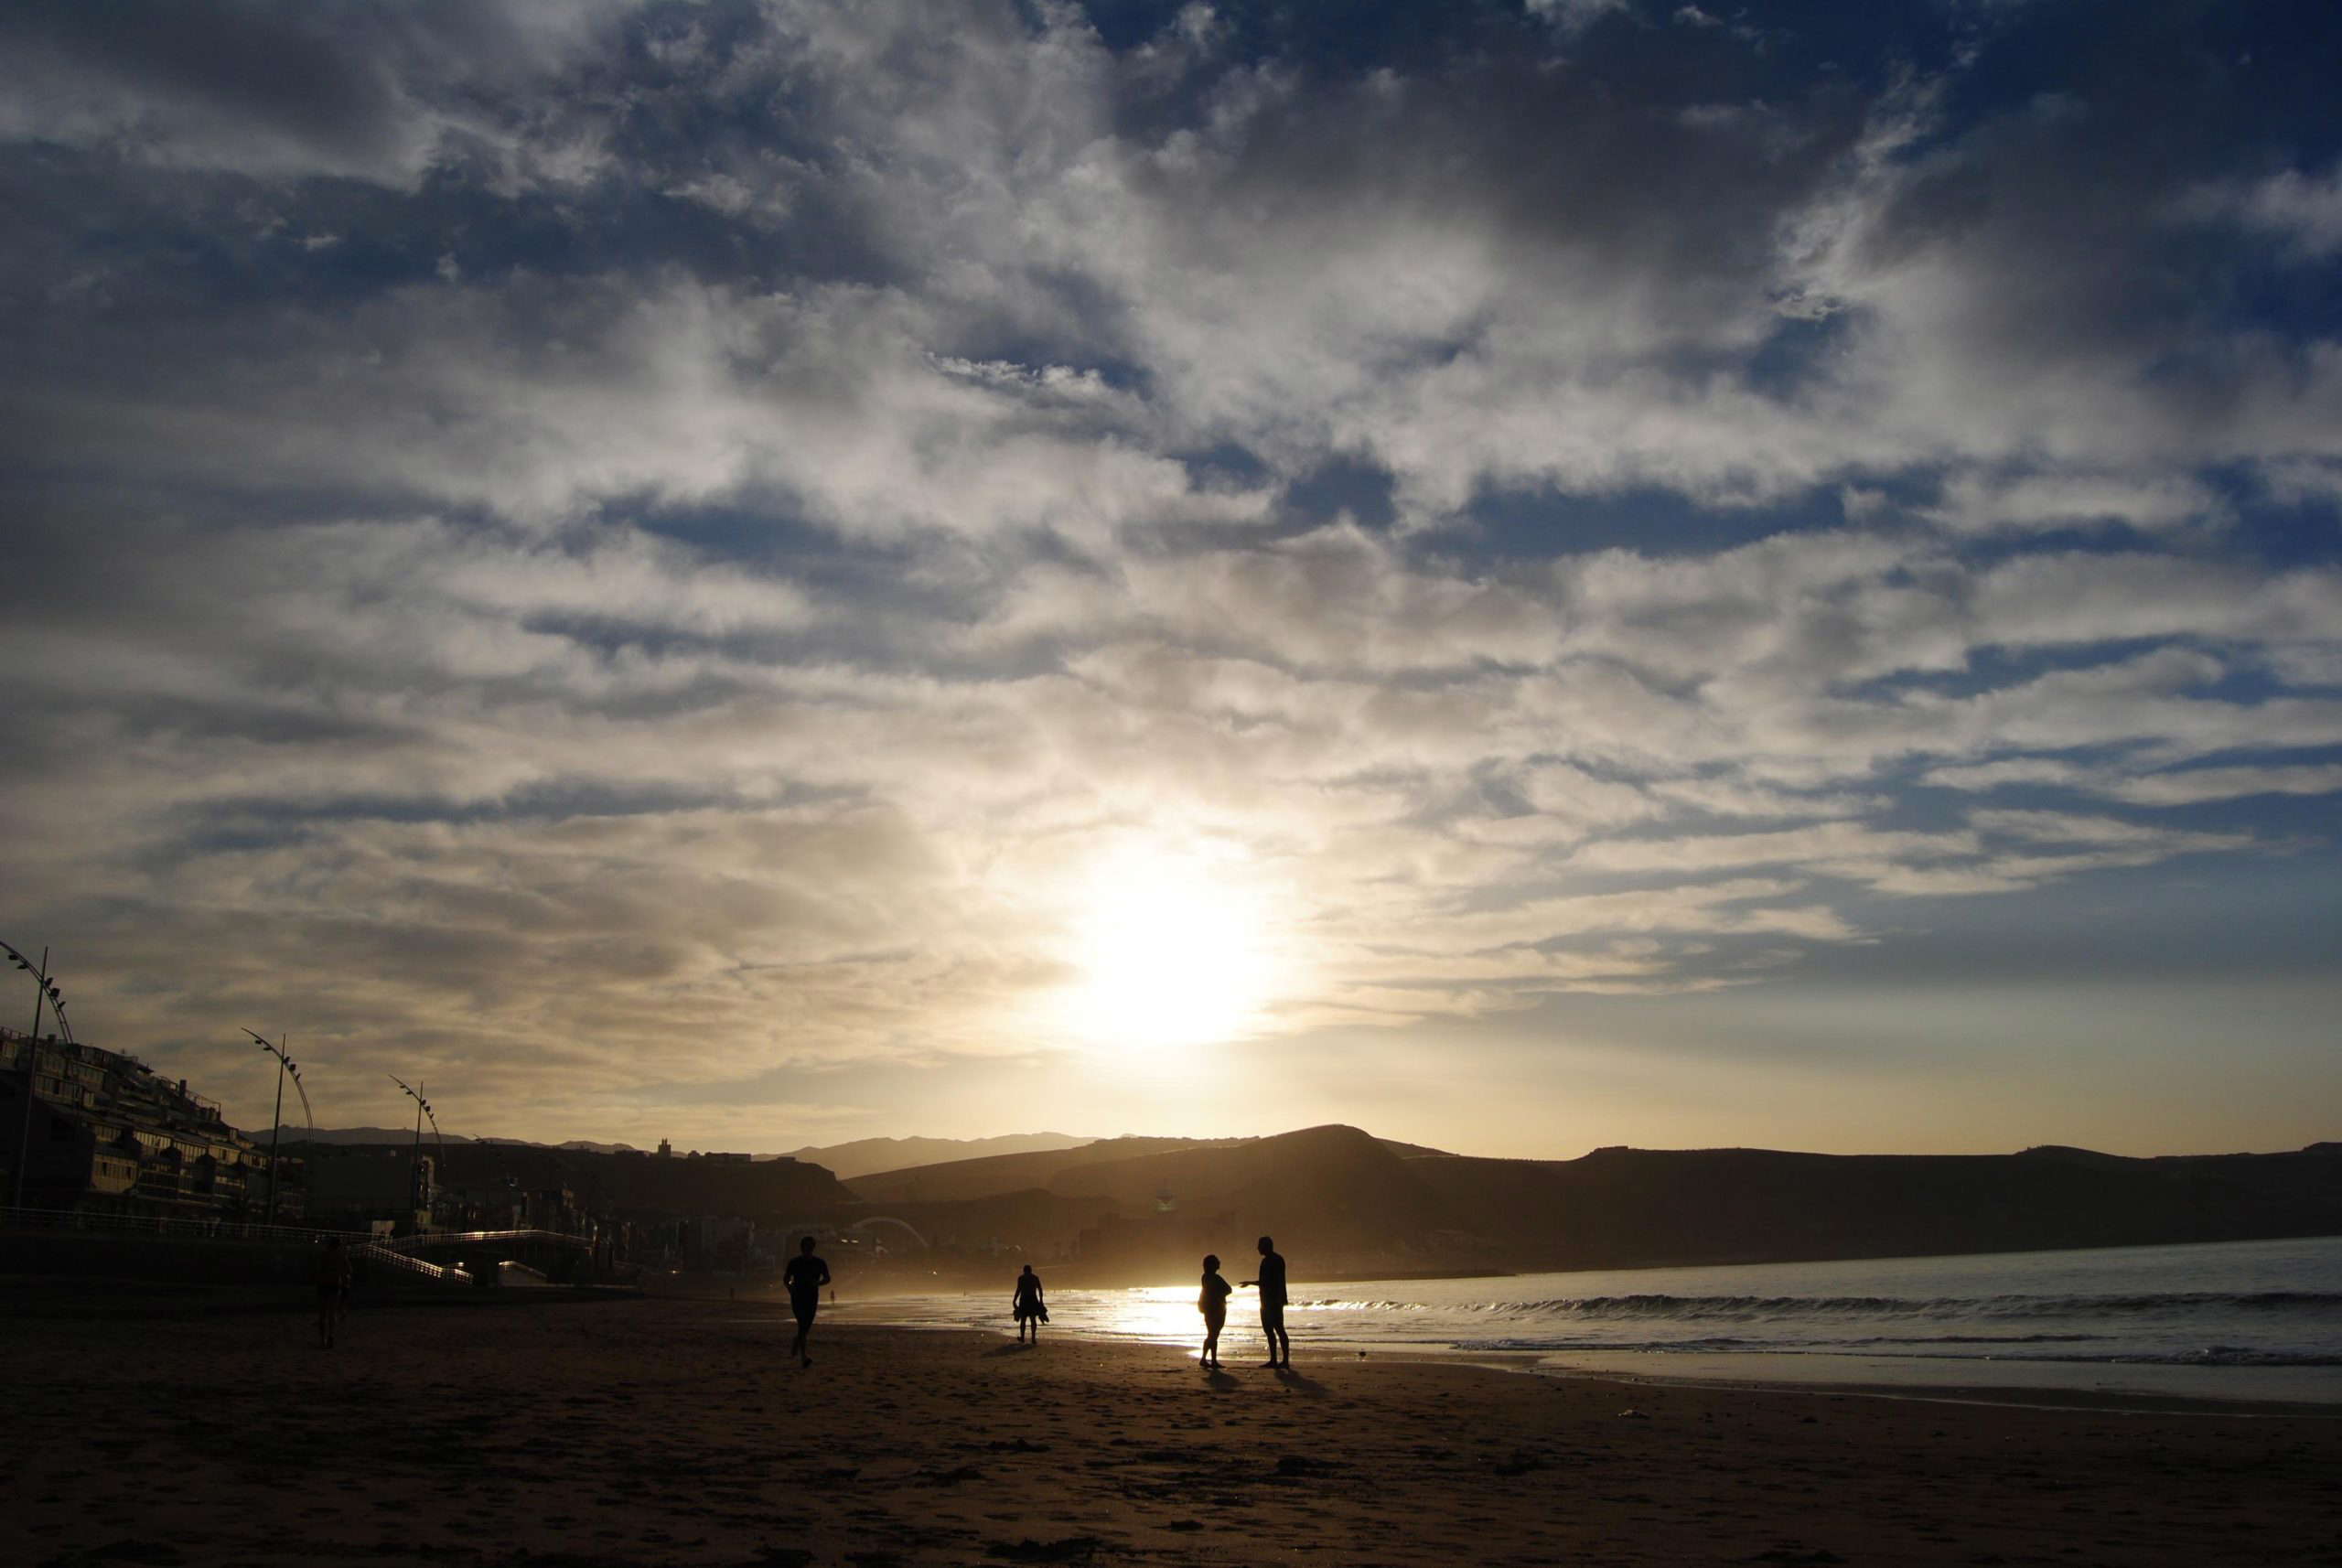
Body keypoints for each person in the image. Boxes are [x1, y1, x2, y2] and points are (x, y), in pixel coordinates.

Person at [1241, 1234, 1290, 1368]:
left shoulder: (1272, 1261)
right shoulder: (1273, 1260)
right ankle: (1276, 1360)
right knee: (1270, 1330)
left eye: (1259, 1246)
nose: (1257, 1248)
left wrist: (1250, 1283)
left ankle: (1283, 1361)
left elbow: (1269, 1282)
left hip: (1272, 1301)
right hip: (1268, 1300)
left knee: (1278, 1329)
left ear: (1266, 1246)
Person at [782, 1235, 831, 1369]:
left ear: (813, 1248)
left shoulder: (820, 1262)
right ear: (802, 1247)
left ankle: (797, 1340)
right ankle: (804, 1357)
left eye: (810, 1247)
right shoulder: (794, 1262)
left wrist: (818, 1283)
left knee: (805, 1326)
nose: (808, 1249)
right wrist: (790, 1288)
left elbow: (827, 1278)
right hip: (798, 1296)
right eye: (806, 1246)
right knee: (802, 1324)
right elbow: (786, 1279)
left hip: (812, 1296)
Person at [314, 1235, 351, 1349]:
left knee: (322, 1314)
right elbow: (348, 1271)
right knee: (332, 1313)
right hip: (335, 1284)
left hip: (323, 1284)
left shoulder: (324, 1255)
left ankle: (322, 1339)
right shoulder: (341, 1256)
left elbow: (318, 1269)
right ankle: (331, 1336)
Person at [1197, 1253, 1232, 1369]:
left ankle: (1207, 1359)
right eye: (1216, 1262)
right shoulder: (1214, 1278)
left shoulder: (1205, 1277)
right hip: (1216, 1309)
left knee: (1212, 1334)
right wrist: (1219, 1295)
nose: (1219, 1264)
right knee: (1213, 1335)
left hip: (1209, 1309)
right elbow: (1228, 1289)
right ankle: (1211, 1360)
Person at [1011, 1263, 1047, 1343]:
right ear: (1031, 1271)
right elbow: (1040, 1289)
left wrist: (1014, 1300)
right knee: (1032, 1319)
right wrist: (1041, 1300)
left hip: (1024, 1300)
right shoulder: (1035, 1278)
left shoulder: (1021, 1278)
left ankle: (1024, 1337)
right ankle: (1032, 1338)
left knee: (1024, 1319)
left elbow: (1018, 1290)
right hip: (1032, 1300)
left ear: (1024, 1271)